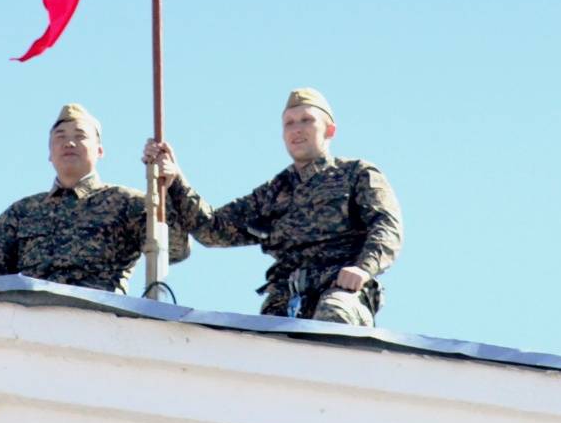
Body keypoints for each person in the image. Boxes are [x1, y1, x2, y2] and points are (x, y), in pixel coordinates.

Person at [143, 88, 402, 325]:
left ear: (329, 130)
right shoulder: (275, 191)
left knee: (333, 317)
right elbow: (214, 229)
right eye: (289, 123)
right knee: (262, 347)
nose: (296, 129)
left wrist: (363, 268)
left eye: (306, 120)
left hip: (341, 289)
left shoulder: (356, 174)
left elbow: (386, 226)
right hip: (286, 299)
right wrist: (175, 180)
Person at [0, 103, 189, 304]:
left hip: (97, 318)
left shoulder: (125, 202)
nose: (69, 143)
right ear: (49, 153)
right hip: (29, 320)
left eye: (80, 136)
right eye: (60, 137)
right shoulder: (23, 212)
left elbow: (175, 249)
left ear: (100, 151)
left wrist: (166, 190)